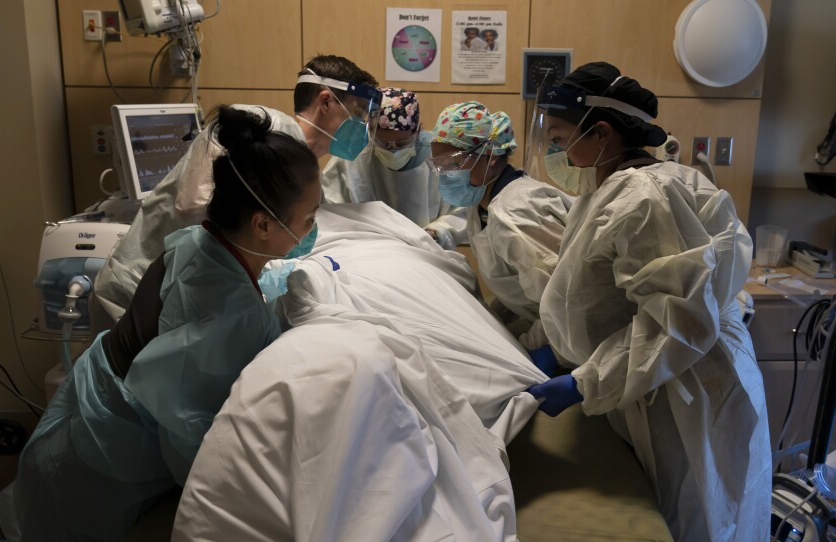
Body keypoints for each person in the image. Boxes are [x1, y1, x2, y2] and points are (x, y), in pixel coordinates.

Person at [0, 107, 322, 541]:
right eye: (309, 218)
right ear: (262, 224)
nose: (313, 228)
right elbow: (191, 436)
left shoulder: (201, 241)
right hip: (97, 460)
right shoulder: (226, 311)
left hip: (82, 418)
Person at [524, 62, 771, 541]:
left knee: (697, 516)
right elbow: (597, 295)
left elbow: (678, 323)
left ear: (601, 133)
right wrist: (557, 347)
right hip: (657, 375)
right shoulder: (611, 189)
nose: (557, 152)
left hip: (687, 383)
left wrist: (585, 383)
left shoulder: (644, 196)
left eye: (560, 138)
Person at [92, 55, 380, 324]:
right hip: (133, 293)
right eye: (357, 114)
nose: (363, 128)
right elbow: (193, 204)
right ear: (326, 102)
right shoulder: (254, 125)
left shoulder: (307, 172)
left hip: (183, 305)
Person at [427, 102, 572, 348]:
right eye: (439, 166)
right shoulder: (482, 203)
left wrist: (530, 351)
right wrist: (491, 321)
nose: (445, 174)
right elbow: (516, 284)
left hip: (571, 335)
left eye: (453, 163)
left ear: (491, 156)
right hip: (553, 326)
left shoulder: (518, 212)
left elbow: (564, 301)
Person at [321, 87, 467, 249]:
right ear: (370, 131)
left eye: (401, 144)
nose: (393, 151)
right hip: (366, 250)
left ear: (417, 132)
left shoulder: (438, 155)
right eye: (383, 143)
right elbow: (329, 210)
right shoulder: (352, 156)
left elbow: (462, 212)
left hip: (426, 250)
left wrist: (434, 233)